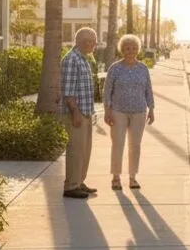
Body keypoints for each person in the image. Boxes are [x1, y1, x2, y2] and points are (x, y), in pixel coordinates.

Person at [103, 34, 155, 191]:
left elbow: (148, 90)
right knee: (118, 144)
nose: (130, 50)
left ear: (138, 50)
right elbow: (107, 90)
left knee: (135, 145)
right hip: (118, 111)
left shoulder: (143, 68)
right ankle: (116, 177)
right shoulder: (115, 68)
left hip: (139, 111)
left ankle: (132, 177)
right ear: (122, 49)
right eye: (127, 48)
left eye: (133, 48)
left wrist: (151, 109)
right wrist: (107, 110)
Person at [61, 27, 99, 199]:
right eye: (87, 41)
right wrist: (75, 112)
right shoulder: (71, 60)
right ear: (78, 42)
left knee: (85, 150)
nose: (91, 44)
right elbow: (68, 91)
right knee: (76, 150)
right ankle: (71, 186)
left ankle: (79, 181)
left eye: (93, 41)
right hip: (76, 113)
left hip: (86, 112)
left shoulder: (83, 58)